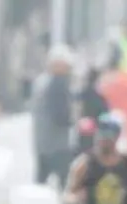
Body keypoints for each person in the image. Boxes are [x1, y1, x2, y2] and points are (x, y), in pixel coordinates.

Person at [64, 115, 127, 204]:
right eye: (101, 136)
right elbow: (68, 196)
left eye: (108, 138)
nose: (103, 141)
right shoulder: (84, 164)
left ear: (116, 138)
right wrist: (78, 197)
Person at [32, 48, 78, 187]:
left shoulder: (41, 81)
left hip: (42, 143)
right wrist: (73, 120)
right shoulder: (57, 83)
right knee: (65, 184)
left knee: (41, 184)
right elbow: (61, 115)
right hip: (58, 145)